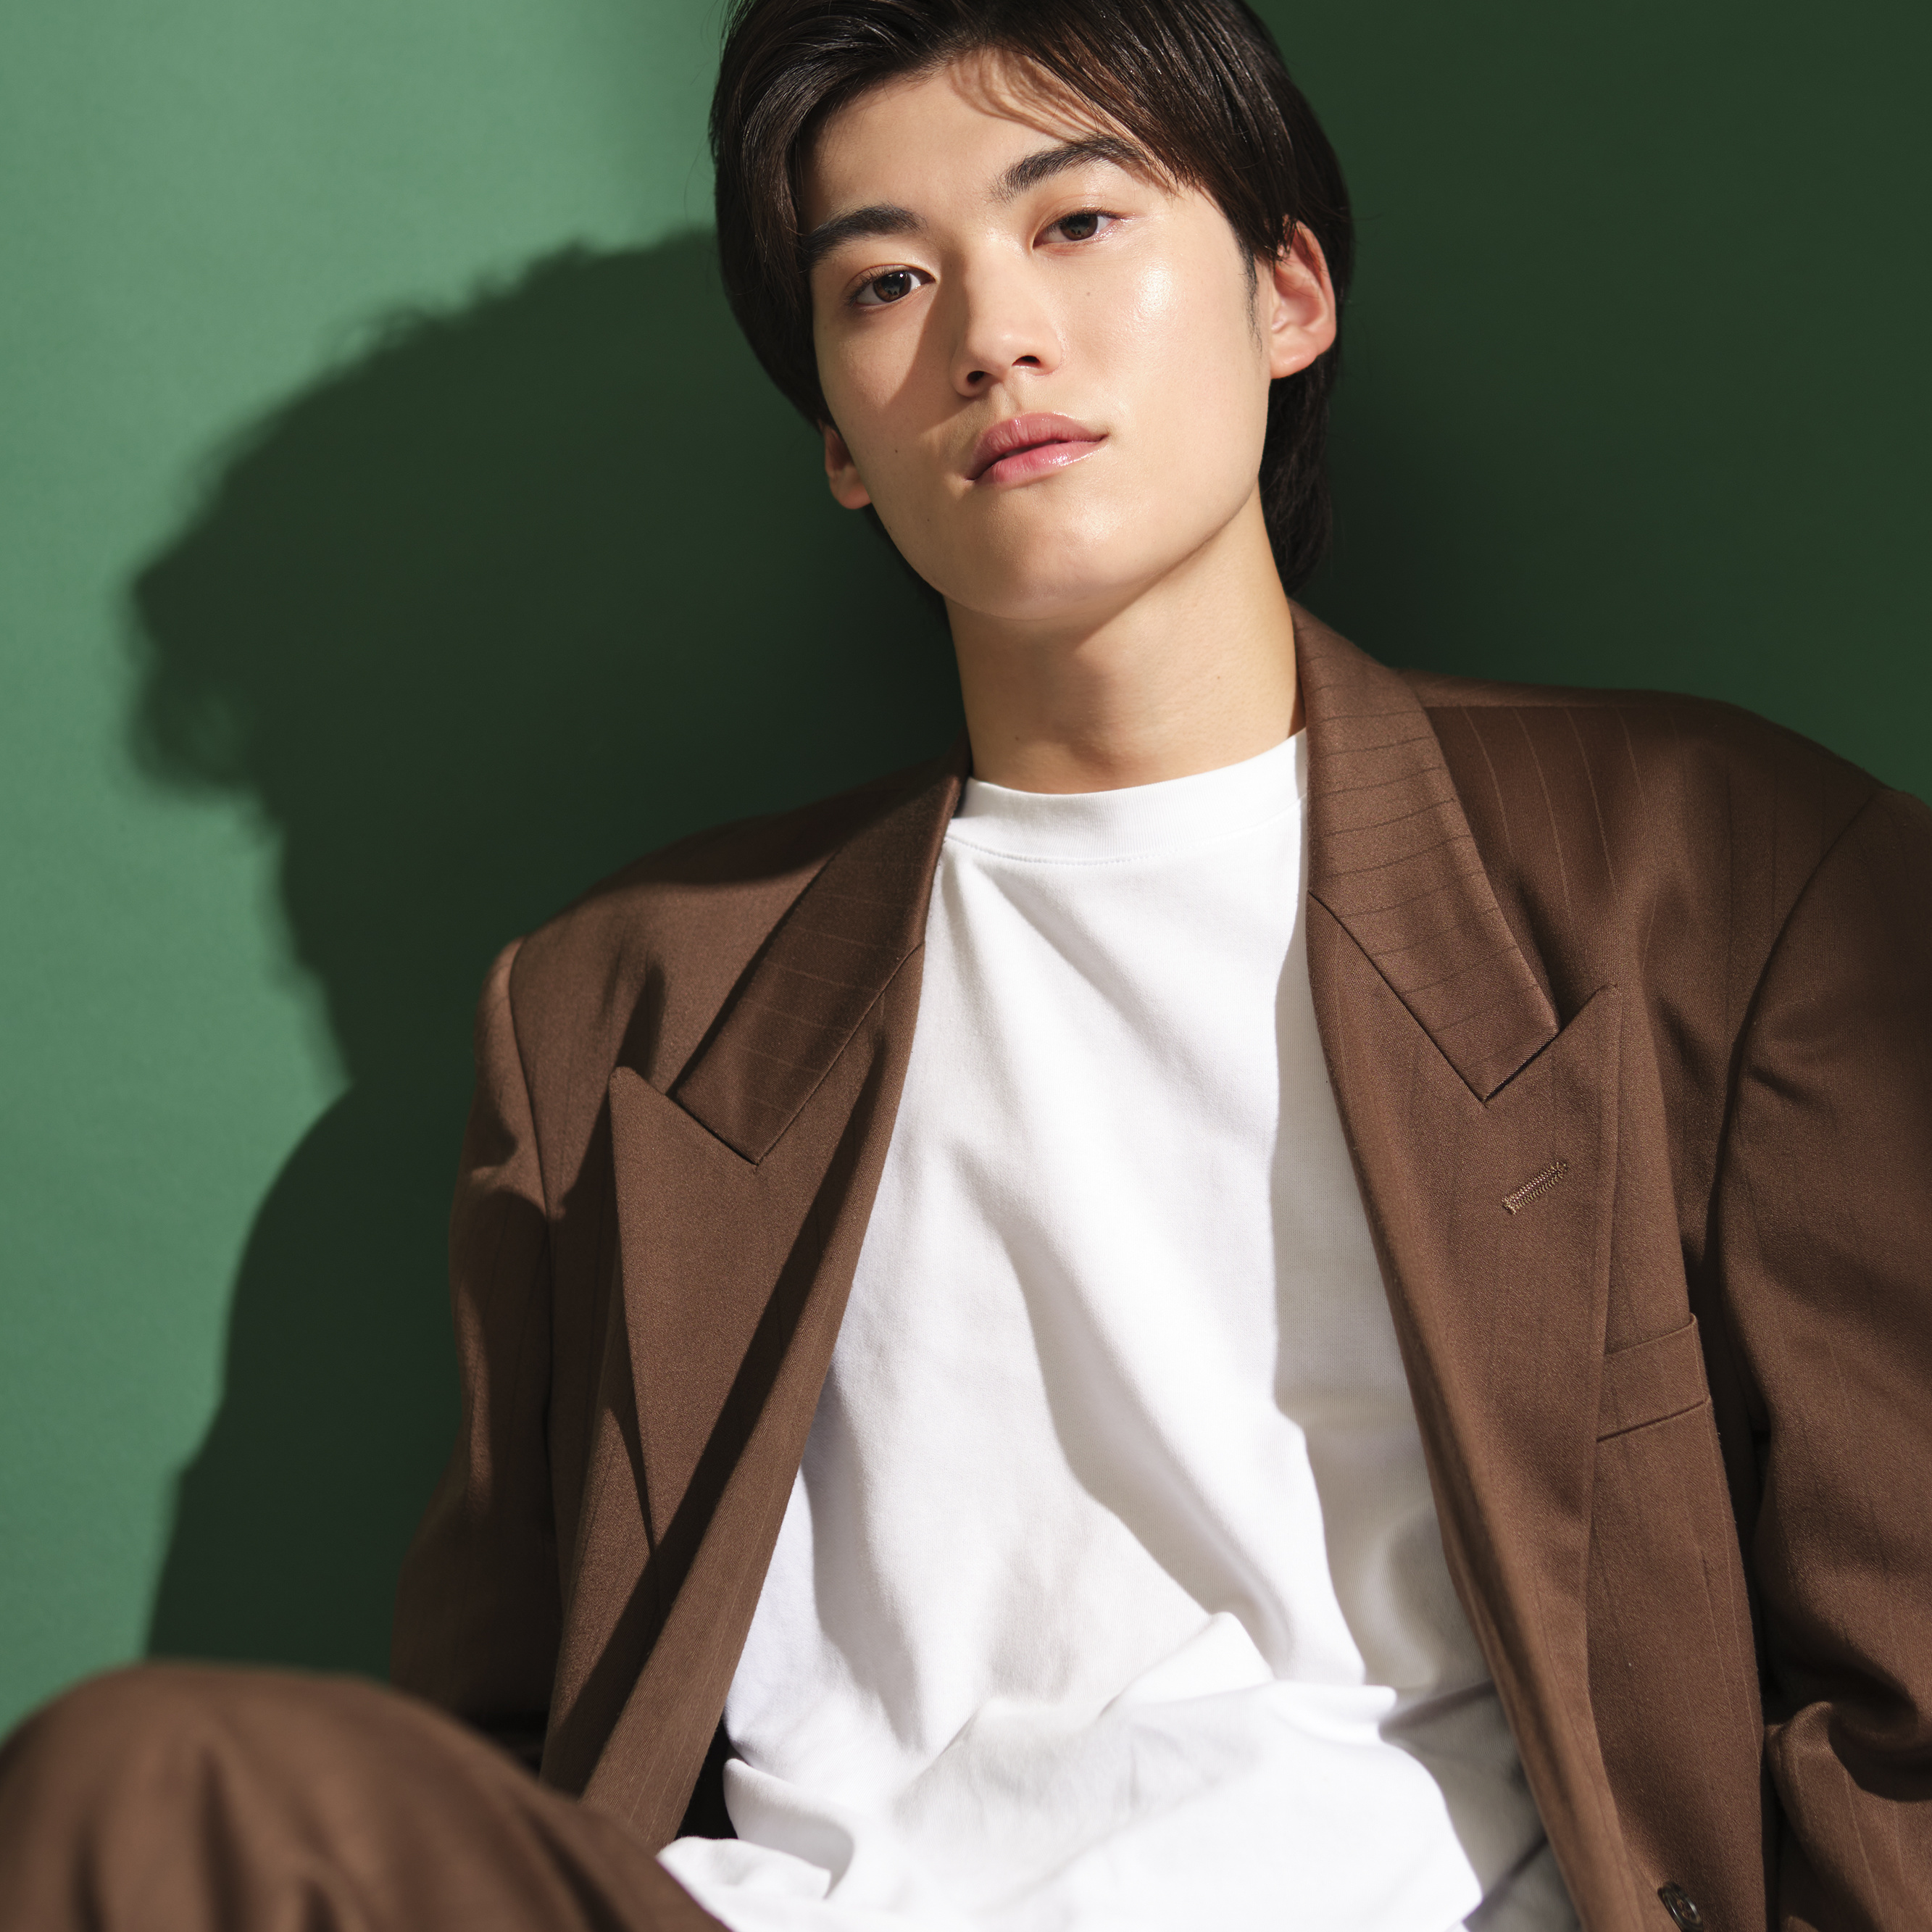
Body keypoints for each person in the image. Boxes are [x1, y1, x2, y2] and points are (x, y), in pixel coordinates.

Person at [2, 1, 1928, 1928]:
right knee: (140, 1776)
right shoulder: (618, 1010)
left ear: (1287, 294)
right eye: (886, 284)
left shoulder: (1717, 876)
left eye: (1074, 222)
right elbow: (503, 1730)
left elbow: (1903, 1702)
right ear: (841, 443)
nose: (991, 336)